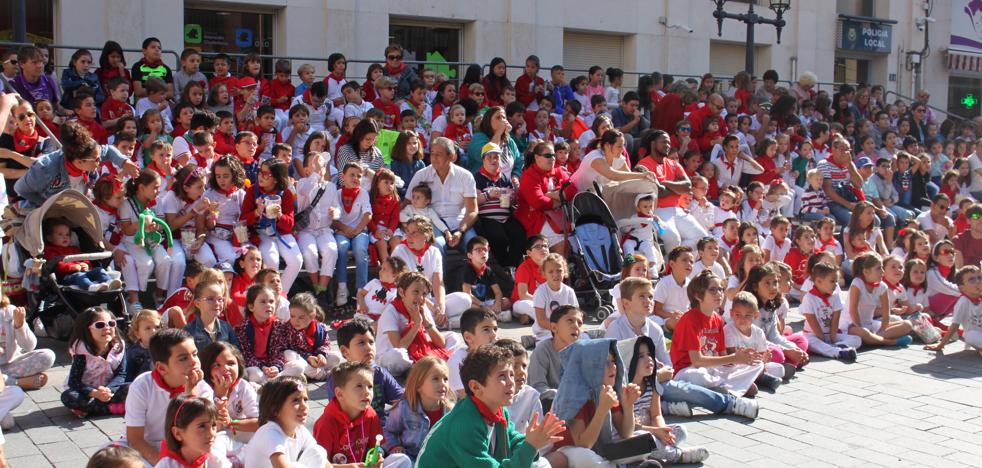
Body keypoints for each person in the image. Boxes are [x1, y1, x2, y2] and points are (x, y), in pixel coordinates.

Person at [415, 344, 566, 467]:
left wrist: (531, 441)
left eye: (511, 375)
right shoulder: (465, 426)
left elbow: (512, 440)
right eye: (502, 376)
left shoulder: (497, 410)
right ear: (476, 387)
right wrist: (530, 446)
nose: (511, 382)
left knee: (540, 464)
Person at [122, 329, 211, 465]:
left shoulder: (203, 389)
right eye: (183, 358)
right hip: (146, 449)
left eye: (195, 354)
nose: (194, 362)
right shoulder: (142, 385)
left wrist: (191, 392)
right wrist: (162, 463)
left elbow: (196, 434)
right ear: (162, 368)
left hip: (186, 449)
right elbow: (135, 438)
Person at [15, 120, 139, 209]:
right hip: (42, 211)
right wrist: (48, 204)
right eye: (96, 160)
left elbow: (109, 150)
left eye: (99, 157)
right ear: (79, 162)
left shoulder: (92, 154)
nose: (100, 161)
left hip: (74, 207)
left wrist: (124, 162)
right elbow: (20, 189)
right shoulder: (46, 168)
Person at [313, 362, 413, 467]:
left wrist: (377, 458)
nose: (367, 392)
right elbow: (319, 463)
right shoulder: (326, 423)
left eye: (370, 386)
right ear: (339, 394)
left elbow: (374, 448)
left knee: (402, 460)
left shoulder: (371, 415)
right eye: (359, 386)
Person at [241, 158, 303, 294]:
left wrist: (280, 216)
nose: (260, 176)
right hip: (261, 232)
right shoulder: (252, 191)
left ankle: (280, 296)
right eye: (260, 172)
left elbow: (289, 225)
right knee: (271, 261)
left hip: (281, 232)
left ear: (276, 178)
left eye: (266, 174)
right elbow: (243, 219)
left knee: (296, 261)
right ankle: (266, 296)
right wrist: (257, 212)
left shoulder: (285, 193)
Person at [406, 138, 479, 253]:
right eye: (432, 154)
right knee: (437, 245)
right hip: (432, 222)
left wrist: (460, 231)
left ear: (452, 157)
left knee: (475, 246)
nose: (434, 158)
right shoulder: (421, 175)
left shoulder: (465, 176)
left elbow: (472, 211)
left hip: (459, 222)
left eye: (439, 155)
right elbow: (407, 202)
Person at [327, 319, 405, 424]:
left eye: (371, 342)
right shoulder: (337, 378)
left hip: (380, 426)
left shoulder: (379, 373)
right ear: (345, 351)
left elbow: (402, 399)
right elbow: (336, 413)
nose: (369, 347)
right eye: (361, 343)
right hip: (351, 429)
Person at [243, 376, 328, 468]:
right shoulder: (270, 433)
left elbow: (325, 463)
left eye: (305, 400)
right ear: (275, 409)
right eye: (296, 400)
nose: (304, 406)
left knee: (318, 451)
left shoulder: (299, 429)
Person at [382, 357, 454, 462]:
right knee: (400, 460)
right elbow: (387, 431)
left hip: (439, 462)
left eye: (445, 379)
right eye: (435, 379)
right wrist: (394, 446)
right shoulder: (404, 408)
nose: (443, 383)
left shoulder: (451, 412)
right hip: (411, 459)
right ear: (418, 384)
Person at [60, 307, 128, 418]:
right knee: (68, 396)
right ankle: (110, 408)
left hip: (108, 390)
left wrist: (108, 390)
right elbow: (74, 381)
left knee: (131, 387)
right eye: (100, 325)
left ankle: (90, 409)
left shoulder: (119, 347)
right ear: (87, 329)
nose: (107, 328)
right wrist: (94, 393)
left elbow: (121, 374)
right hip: (86, 392)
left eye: (111, 323)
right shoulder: (82, 351)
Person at [515, 141, 578, 253]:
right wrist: (561, 199)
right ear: (537, 158)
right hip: (536, 220)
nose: (552, 158)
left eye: (553, 155)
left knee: (577, 241)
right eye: (548, 156)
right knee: (562, 244)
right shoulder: (529, 176)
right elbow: (538, 202)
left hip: (559, 216)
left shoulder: (558, 170)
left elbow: (572, 190)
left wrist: (549, 195)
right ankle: (561, 269)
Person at [474, 142, 528, 268]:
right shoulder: (477, 178)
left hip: (505, 216)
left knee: (520, 234)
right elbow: (474, 201)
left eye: (496, 157)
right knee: (498, 237)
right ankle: (502, 266)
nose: (493, 160)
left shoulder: (504, 177)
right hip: (487, 219)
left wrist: (513, 196)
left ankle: (512, 265)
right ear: (483, 160)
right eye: (490, 157)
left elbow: (509, 203)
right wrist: (489, 195)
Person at [846, 253, 915, 347]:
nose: (883, 272)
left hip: (871, 324)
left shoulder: (882, 286)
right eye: (879, 268)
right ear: (866, 271)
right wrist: (860, 327)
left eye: (882, 267)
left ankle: (871, 339)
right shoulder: (857, 283)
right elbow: (853, 310)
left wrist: (883, 329)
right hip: (853, 325)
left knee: (907, 324)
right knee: (862, 332)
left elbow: (886, 313)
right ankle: (890, 342)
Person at [800, 263, 861, 362]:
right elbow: (812, 321)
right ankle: (840, 352)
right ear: (819, 281)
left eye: (836, 281)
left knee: (857, 339)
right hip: (813, 334)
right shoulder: (809, 298)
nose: (836, 284)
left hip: (830, 334)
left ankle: (836, 347)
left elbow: (835, 319)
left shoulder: (835, 296)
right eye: (832, 281)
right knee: (812, 343)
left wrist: (833, 337)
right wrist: (822, 339)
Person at [724, 293, 785, 390]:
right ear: (731, 313)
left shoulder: (758, 332)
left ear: (756, 315)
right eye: (738, 314)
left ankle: (754, 379)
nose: (742, 319)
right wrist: (756, 362)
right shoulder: (728, 330)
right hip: (736, 366)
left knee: (779, 369)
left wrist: (764, 359)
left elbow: (761, 354)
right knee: (736, 370)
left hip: (753, 365)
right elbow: (731, 358)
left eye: (747, 315)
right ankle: (761, 378)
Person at [570, 130, 656, 192]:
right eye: (619, 146)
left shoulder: (620, 159)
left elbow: (629, 180)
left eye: (623, 146)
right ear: (607, 145)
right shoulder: (595, 157)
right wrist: (642, 175)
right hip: (575, 194)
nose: (622, 149)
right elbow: (613, 176)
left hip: (595, 197)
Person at [281, 293, 341, 381]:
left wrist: (321, 354)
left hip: (314, 360)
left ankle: (306, 374)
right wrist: (308, 358)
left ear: (312, 316)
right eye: (292, 316)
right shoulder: (288, 328)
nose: (295, 320)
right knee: (289, 354)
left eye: (301, 317)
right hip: (300, 361)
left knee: (336, 356)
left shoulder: (320, 328)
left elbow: (325, 343)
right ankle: (321, 375)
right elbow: (290, 349)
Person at [926, 266, 982, 352]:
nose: (978, 281)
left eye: (979, 278)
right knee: (970, 336)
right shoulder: (963, 302)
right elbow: (954, 326)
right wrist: (940, 345)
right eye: (972, 280)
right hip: (976, 335)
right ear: (962, 288)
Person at [448, 308, 499, 398]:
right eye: (486, 329)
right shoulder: (458, 362)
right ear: (468, 337)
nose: (494, 334)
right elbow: (466, 397)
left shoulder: (495, 356)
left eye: (495, 329)